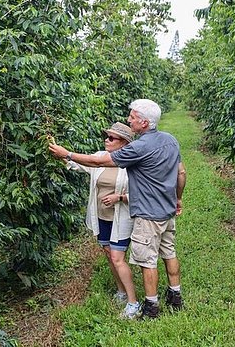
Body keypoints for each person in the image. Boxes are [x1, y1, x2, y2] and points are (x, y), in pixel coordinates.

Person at [49, 99, 186, 319]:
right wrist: (177, 199)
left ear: (143, 122)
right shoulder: (170, 140)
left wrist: (68, 154)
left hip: (148, 214)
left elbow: (99, 162)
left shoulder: (138, 148)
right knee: (169, 252)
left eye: (132, 117)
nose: (129, 120)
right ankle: (175, 296)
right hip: (167, 212)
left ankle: (151, 307)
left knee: (147, 260)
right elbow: (181, 173)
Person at [62, 122, 140, 319]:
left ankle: (133, 302)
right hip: (102, 216)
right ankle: (121, 291)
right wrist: (61, 154)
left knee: (117, 257)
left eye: (112, 138)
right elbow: (78, 164)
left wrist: (120, 197)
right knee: (108, 252)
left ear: (124, 143)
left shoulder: (132, 164)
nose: (107, 140)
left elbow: (143, 194)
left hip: (122, 217)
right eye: (106, 136)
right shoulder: (99, 157)